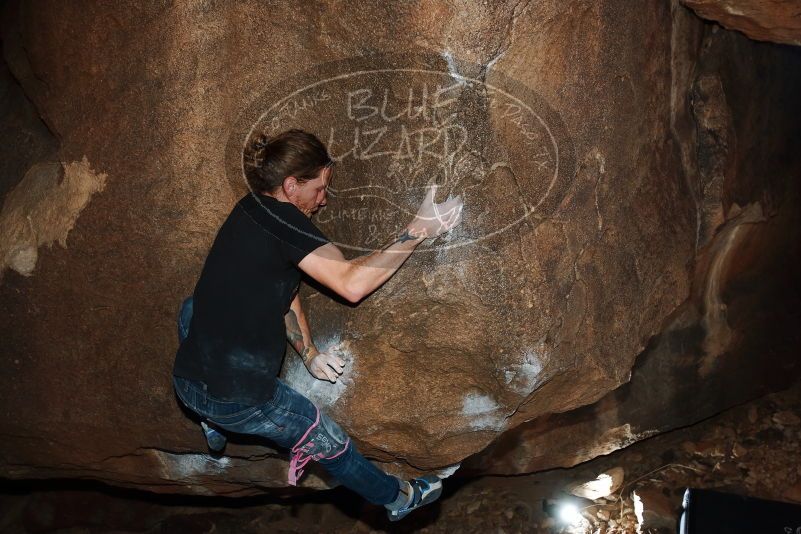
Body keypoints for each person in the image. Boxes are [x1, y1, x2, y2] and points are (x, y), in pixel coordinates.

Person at [171, 128, 463, 522]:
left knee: (192, 307)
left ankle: (209, 421)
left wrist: (308, 352)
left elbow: (284, 288)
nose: (324, 199)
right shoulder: (289, 223)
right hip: (238, 400)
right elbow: (351, 285)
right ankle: (399, 499)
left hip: (186, 381)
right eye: (320, 187)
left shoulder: (249, 207)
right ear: (292, 186)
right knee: (328, 440)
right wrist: (417, 231)